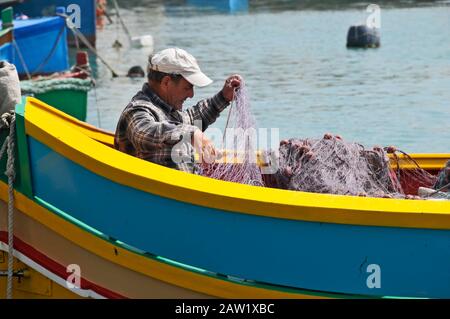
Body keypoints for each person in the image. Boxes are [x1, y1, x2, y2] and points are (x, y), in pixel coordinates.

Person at [114, 47, 241, 173]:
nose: (191, 94)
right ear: (166, 82)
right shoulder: (137, 111)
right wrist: (191, 133)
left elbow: (192, 117)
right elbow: (145, 133)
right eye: (188, 87)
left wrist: (224, 97)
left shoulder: (168, 110)